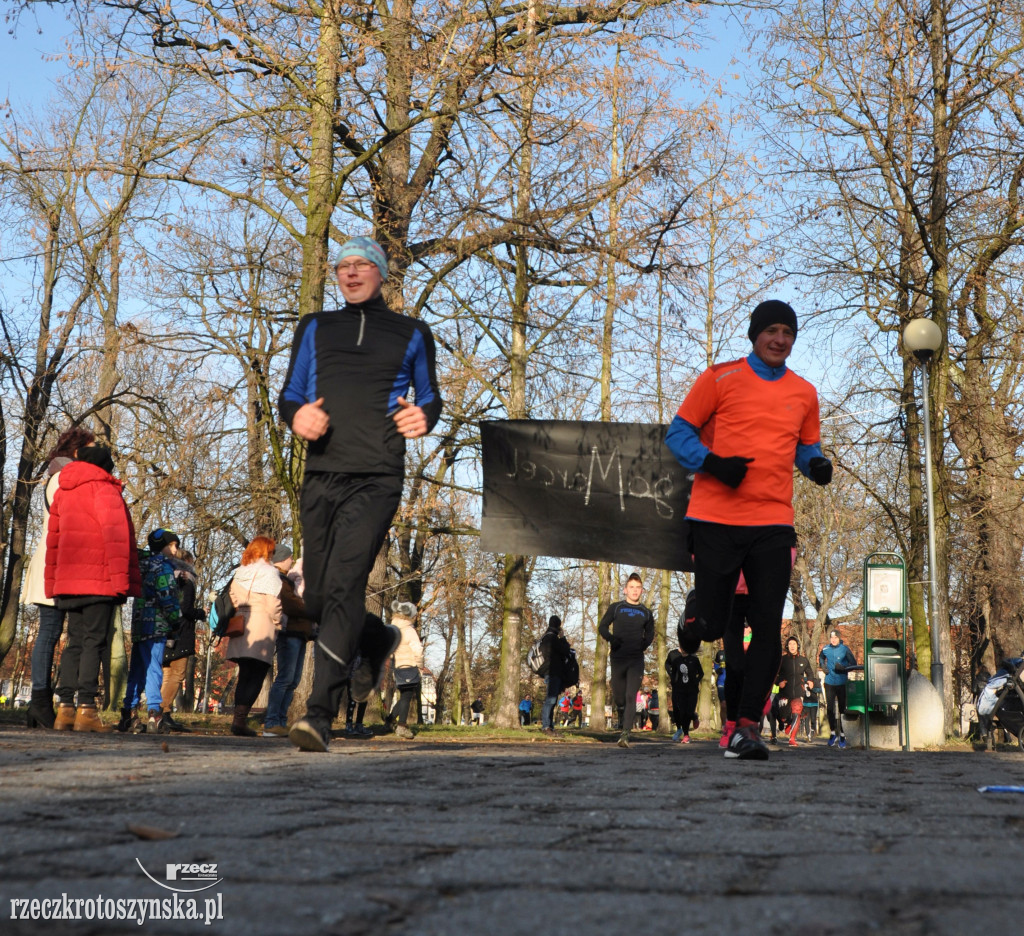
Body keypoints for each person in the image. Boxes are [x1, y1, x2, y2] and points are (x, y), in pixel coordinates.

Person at [279, 236, 443, 753]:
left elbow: (431, 395)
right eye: (342, 266)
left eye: (362, 265)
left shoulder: (412, 332)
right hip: (322, 474)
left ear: (381, 273)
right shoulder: (316, 328)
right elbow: (291, 392)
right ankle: (375, 639)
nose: (351, 273)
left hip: (377, 475)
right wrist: (296, 416)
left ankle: (319, 714)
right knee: (320, 595)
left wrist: (425, 417)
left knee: (346, 585)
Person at [666, 299, 832, 760]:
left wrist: (815, 464)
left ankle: (746, 727)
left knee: (765, 626)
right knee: (715, 624)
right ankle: (696, 616)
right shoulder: (719, 378)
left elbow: (806, 446)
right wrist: (714, 464)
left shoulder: (804, 392)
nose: (780, 339)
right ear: (755, 334)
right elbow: (677, 435)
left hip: (773, 523)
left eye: (788, 333)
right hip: (716, 519)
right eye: (772, 330)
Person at [45, 442, 141, 732]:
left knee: (74, 642)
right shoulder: (106, 489)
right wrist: (120, 583)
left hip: (69, 581)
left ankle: (64, 710)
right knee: (93, 642)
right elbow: (116, 538)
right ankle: (87, 709)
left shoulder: (64, 491)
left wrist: (53, 582)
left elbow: (54, 541)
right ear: (105, 466)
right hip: (99, 581)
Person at [22, 426, 96, 728]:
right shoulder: (62, 480)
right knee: (50, 633)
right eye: (90, 448)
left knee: (58, 634)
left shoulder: (64, 477)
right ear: (77, 451)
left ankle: (42, 704)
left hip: (63, 563)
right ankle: (40, 699)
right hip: (54, 563)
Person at [118, 529, 183, 735]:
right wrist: (176, 619)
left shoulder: (142, 565)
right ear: (164, 546)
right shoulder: (163, 567)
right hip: (157, 625)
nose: (175, 550)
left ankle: (129, 712)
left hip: (139, 624)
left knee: (137, 670)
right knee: (154, 669)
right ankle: (155, 713)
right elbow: (168, 597)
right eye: (173, 545)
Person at [224, 536, 283, 737]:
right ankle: (240, 721)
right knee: (257, 674)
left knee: (244, 674)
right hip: (261, 626)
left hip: (241, 625)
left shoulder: (240, 572)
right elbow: (273, 604)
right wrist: (279, 621)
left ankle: (237, 720)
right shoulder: (270, 573)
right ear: (267, 551)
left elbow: (231, 598)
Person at [263, 544, 315, 737]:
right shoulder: (278, 579)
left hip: (299, 632)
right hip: (288, 632)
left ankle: (280, 721)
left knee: (293, 680)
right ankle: (272, 722)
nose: (291, 561)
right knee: (285, 678)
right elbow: (289, 604)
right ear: (281, 559)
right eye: (289, 558)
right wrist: (310, 607)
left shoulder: (286, 579)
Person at [599, 572, 655, 748]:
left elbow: (651, 633)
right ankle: (621, 710)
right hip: (618, 658)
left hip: (635, 659)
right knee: (619, 696)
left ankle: (625, 735)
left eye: (638, 588)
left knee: (631, 696)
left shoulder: (646, 612)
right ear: (625, 590)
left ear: (642, 590)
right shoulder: (616, 607)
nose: (635, 591)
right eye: (631, 587)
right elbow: (602, 626)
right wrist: (611, 639)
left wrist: (644, 645)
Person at [160, 548, 206, 732]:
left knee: (167, 674)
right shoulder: (186, 580)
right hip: (181, 631)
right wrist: (201, 613)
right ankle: (162, 712)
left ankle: (159, 711)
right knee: (177, 673)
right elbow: (185, 608)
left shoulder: (168, 578)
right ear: (187, 561)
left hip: (166, 631)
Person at [385, 600, 423, 740]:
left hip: (397, 666)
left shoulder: (392, 629)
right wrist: (420, 665)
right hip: (409, 665)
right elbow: (418, 650)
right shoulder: (409, 630)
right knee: (406, 696)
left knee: (404, 695)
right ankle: (402, 726)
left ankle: (390, 720)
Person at [819, 628, 858, 749]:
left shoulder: (845, 649)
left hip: (841, 682)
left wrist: (844, 667)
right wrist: (823, 666)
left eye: (836, 638)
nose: (834, 640)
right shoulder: (825, 649)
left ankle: (842, 734)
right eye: (832, 638)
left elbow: (854, 663)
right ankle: (832, 733)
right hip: (829, 682)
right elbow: (820, 658)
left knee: (842, 709)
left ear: (839, 638)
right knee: (830, 708)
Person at [775, 635, 813, 746]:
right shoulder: (782, 660)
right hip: (785, 692)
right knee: (783, 717)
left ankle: (792, 739)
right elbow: (774, 674)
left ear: (798, 646)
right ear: (787, 646)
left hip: (798, 691)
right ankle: (786, 724)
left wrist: (810, 680)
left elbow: (810, 673)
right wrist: (779, 682)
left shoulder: (803, 660)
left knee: (797, 710)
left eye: (794, 644)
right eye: (790, 644)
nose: (792, 646)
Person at [666, 631, 704, 743]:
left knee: (689, 711)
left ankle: (693, 717)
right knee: (682, 711)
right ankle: (686, 734)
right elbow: (672, 672)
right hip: (680, 689)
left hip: (692, 690)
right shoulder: (676, 659)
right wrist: (674, 682)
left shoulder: (694, 659)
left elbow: (701, 673)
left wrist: (696, 681)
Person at [539, 615, 572, 735]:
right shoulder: (553, 638)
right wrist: (563, 638)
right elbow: (565, 650)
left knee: (551, 699)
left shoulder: (545, 637)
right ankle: (546, 726)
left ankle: (549, 726)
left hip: (549, 671)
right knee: (551, 700)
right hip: (553, 672)